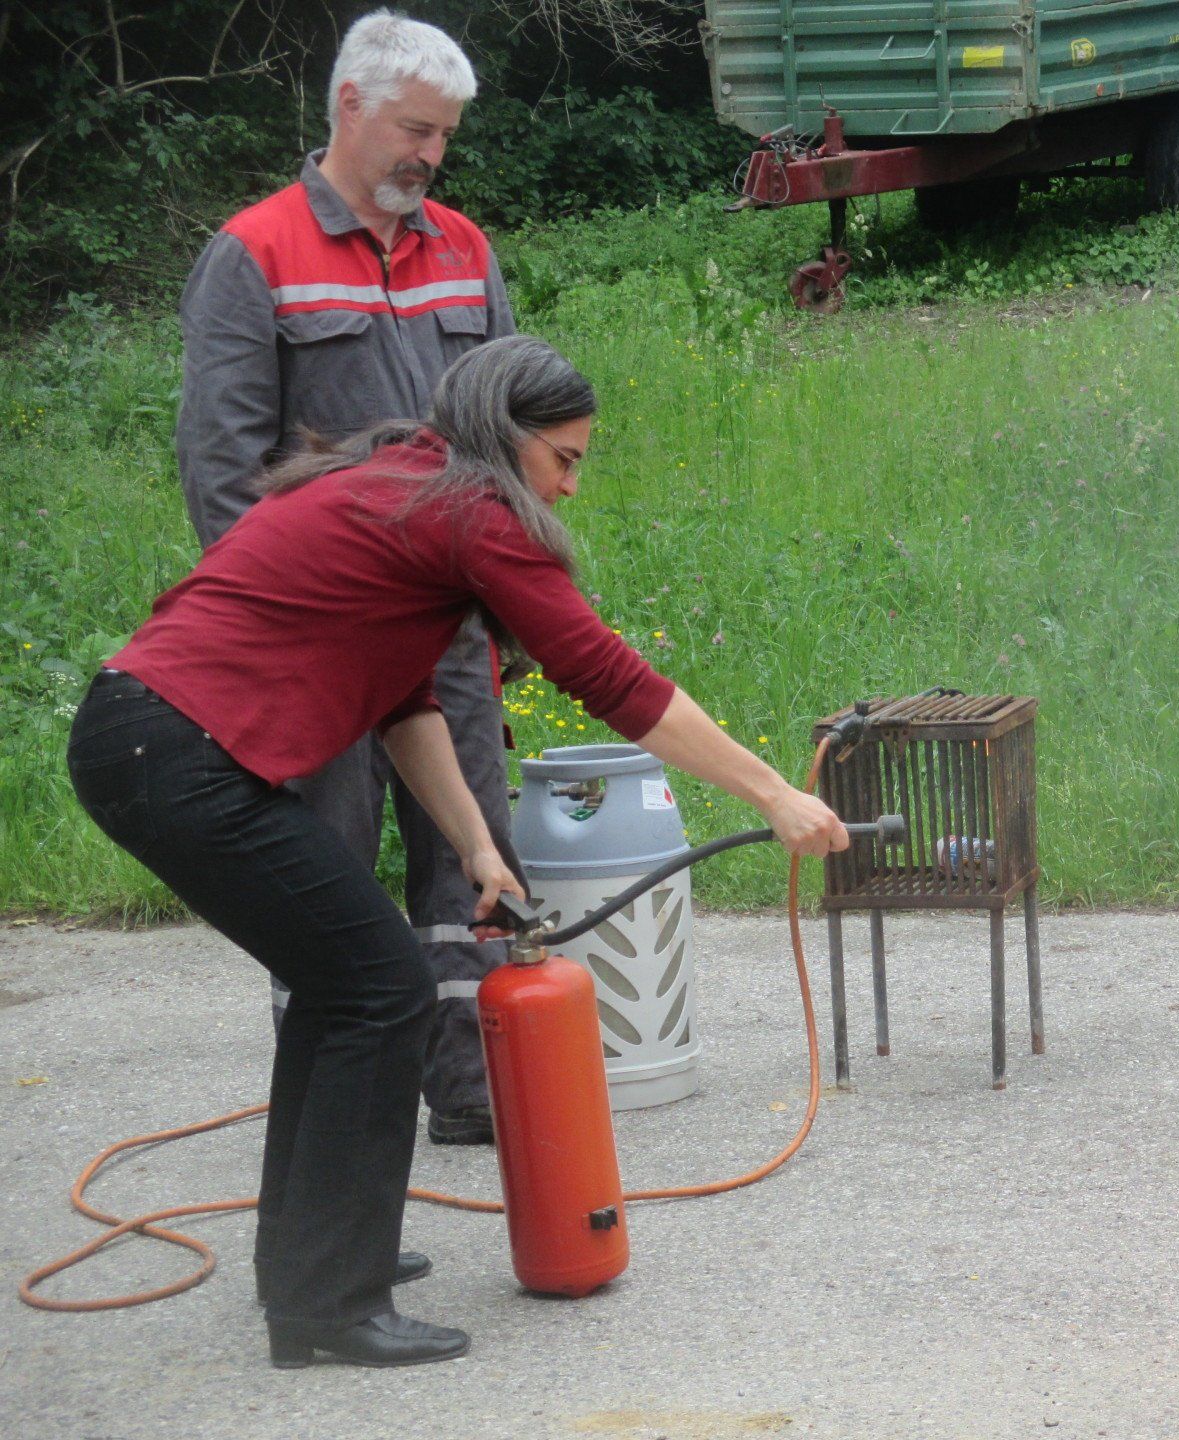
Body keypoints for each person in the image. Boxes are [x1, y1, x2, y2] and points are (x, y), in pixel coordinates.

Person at [68, 336, 850, 1368]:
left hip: (147, 742)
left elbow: (404, 704)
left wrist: (480, 848)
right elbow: (606, 676)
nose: (570, 486)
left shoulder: (404, 487)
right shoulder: (468, 510)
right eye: (563, 459)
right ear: (505, 438)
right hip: (178, 754)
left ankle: (308, 1265)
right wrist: (774, 791)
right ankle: (328, 1308)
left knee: (342, 983)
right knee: (379, 988)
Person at [176, 8, 516, 1147]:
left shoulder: (465, 248)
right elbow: (224, 469)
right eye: (416, 129)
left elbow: (509, 436)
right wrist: (291, 630)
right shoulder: (255, 251)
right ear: (348, 106)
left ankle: (472, 1092)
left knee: (472, 856)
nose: (431, 154)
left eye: (447, 136)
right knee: (320, 874)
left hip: (447, 631)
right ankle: (332, 1131)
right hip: (317, 645)